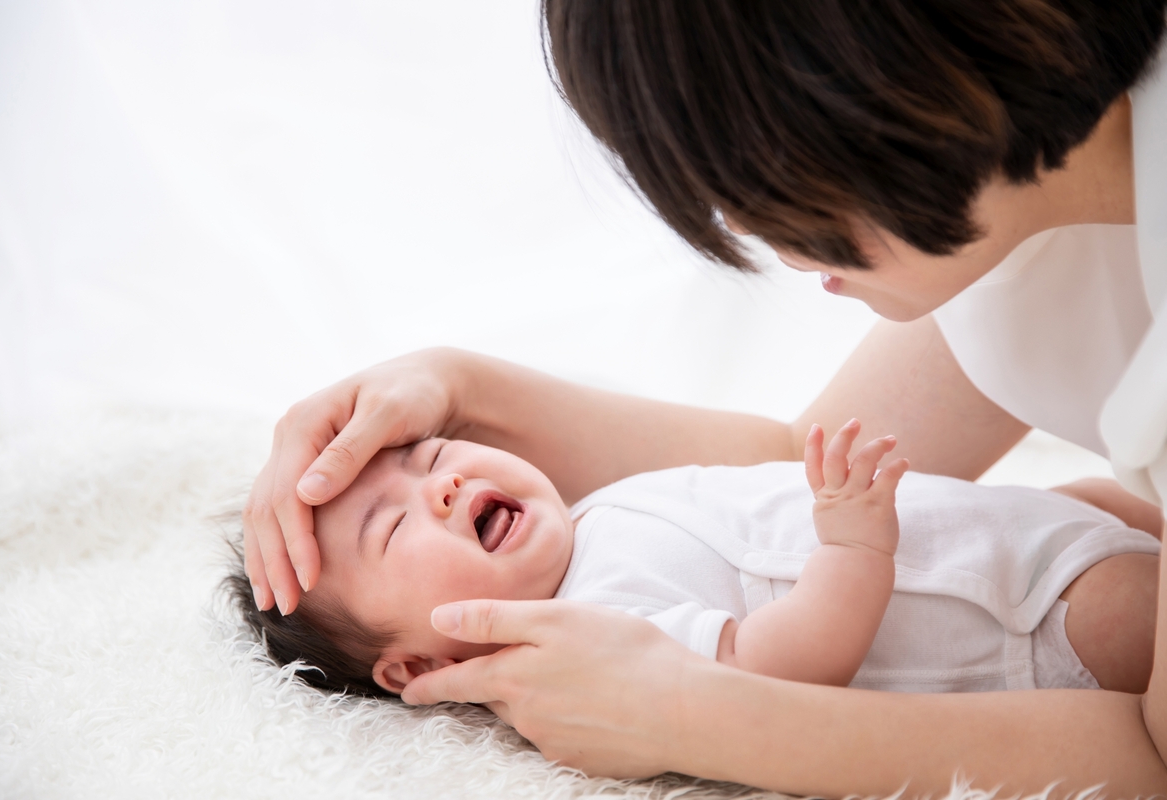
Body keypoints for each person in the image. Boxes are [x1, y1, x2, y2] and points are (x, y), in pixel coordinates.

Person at [241, 1, 1167, 795]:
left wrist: (692, 718)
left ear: (887, 98)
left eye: (752, 188)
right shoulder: (1043, 202)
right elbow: (792, 472)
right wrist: (456, 387)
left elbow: (1157, 753)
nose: (753, 237)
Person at [229, 427, 1160, 698]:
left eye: (433, 458)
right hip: (1032, 619)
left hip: (1016, 533)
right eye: (392, 531)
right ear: (422, 664)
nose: (441, 485)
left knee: (1108, 496)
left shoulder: (588, 516)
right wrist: (856, 543)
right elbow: (780, 665)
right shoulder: (590, 627)